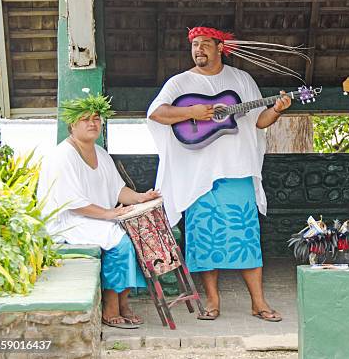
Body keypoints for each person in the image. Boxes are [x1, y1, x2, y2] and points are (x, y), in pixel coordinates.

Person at [147, 26, 291, 322]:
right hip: (198, 176)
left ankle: (259, 302)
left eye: (204, 44)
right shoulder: (179, 82)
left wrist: (276, 109)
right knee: (204, 240)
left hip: (237, 169)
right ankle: (212, 301)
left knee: (246, 238)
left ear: (220, 47)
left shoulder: (241, 79)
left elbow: (258, 121)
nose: (198, 49)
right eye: (194, 45)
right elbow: (157, 113)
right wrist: (192, 113)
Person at [37, 93, 160, 329]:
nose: (92, 123)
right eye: (85, 119)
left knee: (135, 237)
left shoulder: (101, 154)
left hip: (94, 219)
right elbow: (72, 203)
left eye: (96, 118)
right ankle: (111, 309)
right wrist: (108, 214)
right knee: (120, 242)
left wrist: (142, 197)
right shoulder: (62, 156)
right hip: (68, 222)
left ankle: (124, 302)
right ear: (72, 124)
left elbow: (118, 190)